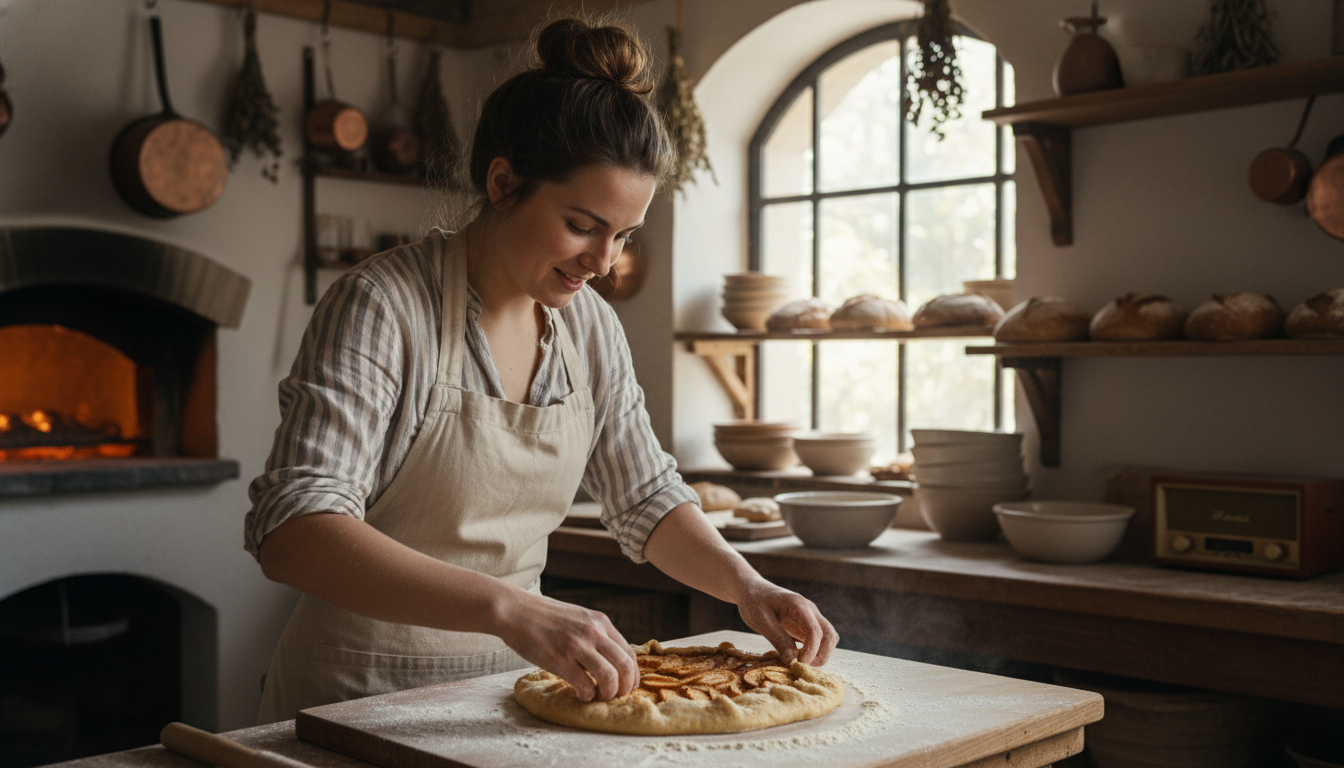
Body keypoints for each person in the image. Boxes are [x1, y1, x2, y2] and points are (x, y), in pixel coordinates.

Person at [243, 16, 837, 724]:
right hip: (353, 702)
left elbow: (644, 494)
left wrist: (745, 585)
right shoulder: (383, 306)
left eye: (623, 235)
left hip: (504, 705)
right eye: (583, 226)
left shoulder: (589, 328)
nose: (605, 262)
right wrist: (512, 607)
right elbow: (294, 529)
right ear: (502, 183)